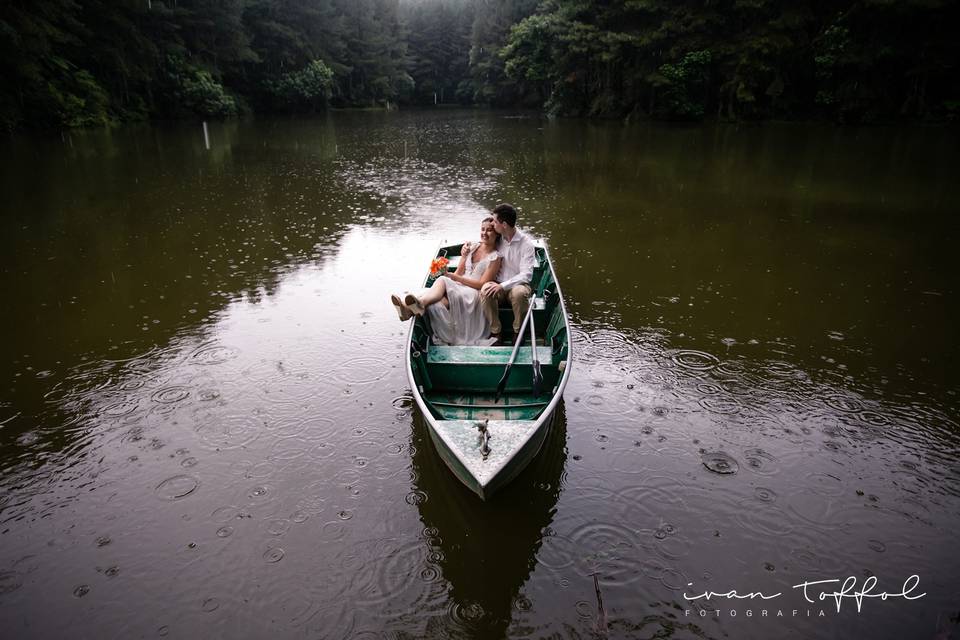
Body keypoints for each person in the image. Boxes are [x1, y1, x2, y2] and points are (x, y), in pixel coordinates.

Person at [390, 218, 503, 346]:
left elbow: (482, 284)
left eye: (489, 230)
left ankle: (415, 305)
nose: (484, 233)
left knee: (442, 280)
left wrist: (452, 278)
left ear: (497, 234)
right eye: (483, 229)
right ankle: (409, 311)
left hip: (475, 293)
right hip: (461, 286)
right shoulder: (472, 247)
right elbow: (459, 272)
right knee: (436, 304)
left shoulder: (496, 257)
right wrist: (464, 257)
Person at [480, 203, 536, 344]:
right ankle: (496, 332)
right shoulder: (498, 239)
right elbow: (483, 244)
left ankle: (518, 332)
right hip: (498, 284)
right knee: (486, 290)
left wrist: (503, 285)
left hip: (518, 285)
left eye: (495, 221)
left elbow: (526, 275)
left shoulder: (526, 244)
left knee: (519, 294)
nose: (492, 224)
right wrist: (467, 249)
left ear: (504, 224)